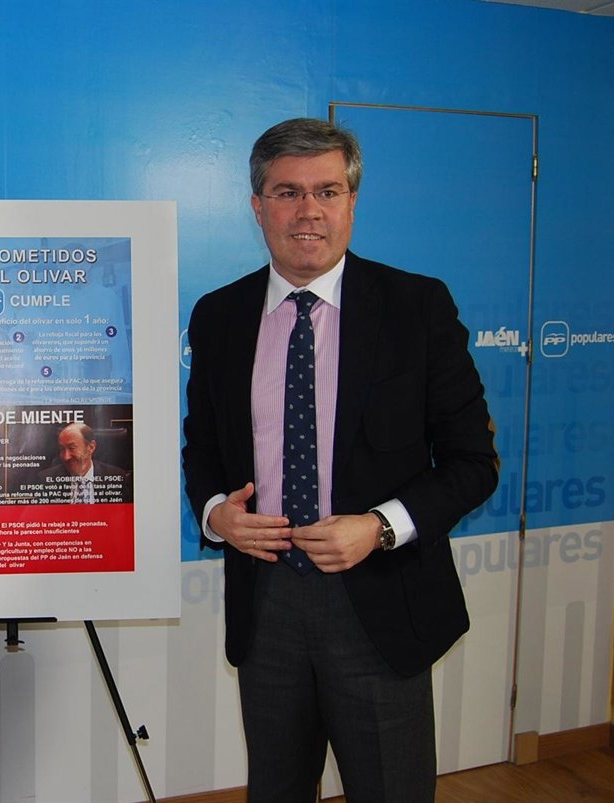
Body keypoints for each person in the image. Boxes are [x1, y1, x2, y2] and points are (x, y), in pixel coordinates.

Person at [182, 117, 498, 801]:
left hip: (382, 602)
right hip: (265, 604)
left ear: (352, 201)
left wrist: (380, 526)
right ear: (258, 205)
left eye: (327, 191)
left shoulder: (416, 307)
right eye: (287, 192)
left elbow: (474, 462)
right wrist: (215, 515)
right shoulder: (219, 316)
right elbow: (201, 446)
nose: (308, 211)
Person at [38, 422, 132, 503]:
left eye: (72, 448)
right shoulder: (46, 480)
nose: (66, 457)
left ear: (91, 447)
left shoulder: (116, 477)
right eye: (62, 449)